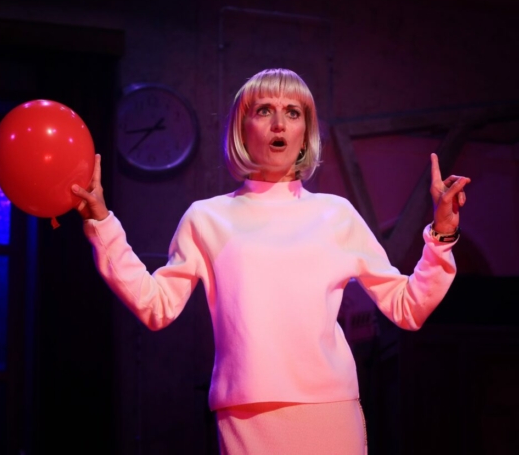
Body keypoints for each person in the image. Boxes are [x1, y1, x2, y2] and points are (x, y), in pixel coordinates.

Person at [72, 68, 470, 454]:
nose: (279, 123)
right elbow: (156, 304)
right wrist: (102, 224)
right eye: (264, 110)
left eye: (292, 112)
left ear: (305, 133)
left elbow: (407, 307)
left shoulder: (336, 214)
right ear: (242, 129)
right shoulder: (207, 218)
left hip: (330, 413)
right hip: (248, 418)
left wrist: (442, 234)